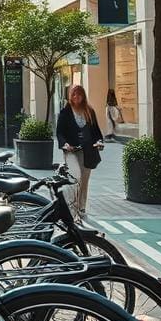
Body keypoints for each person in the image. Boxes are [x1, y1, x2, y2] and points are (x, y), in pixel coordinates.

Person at [55, 85, 104, 222]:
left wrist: (99, 142)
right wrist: (64, 144)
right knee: (76, 177)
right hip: (71, 151)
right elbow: (59, 132)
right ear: (70, 96)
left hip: (87, 150)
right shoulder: (65, 112)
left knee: (84, 180)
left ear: (83, 96)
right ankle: (73, 208)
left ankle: (81, 208)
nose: (76, 97)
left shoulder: (89, 111)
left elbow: (96, 132)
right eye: (74, 95)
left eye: (79, 94)